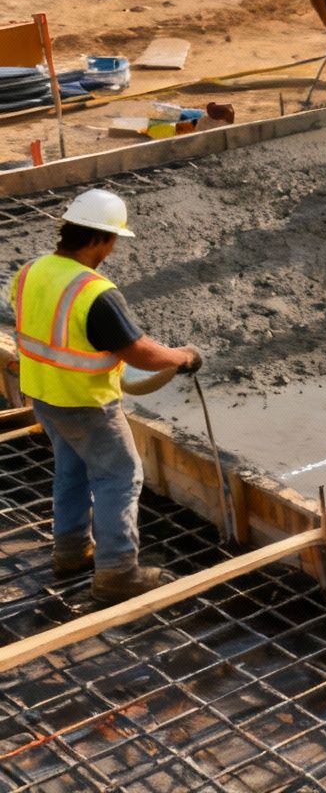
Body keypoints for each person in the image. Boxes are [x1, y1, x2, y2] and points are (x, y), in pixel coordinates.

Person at [13, 189, 201, 603]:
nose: (112, 249)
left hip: (43, 394)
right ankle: (117, 571)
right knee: (120, 475)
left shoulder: (30, 271)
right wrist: (182, 357)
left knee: (71, 470)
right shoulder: (94, 292)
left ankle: (70, 552)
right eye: (113, 240)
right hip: (86, 402)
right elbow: (139, 353)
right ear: (99, 238)